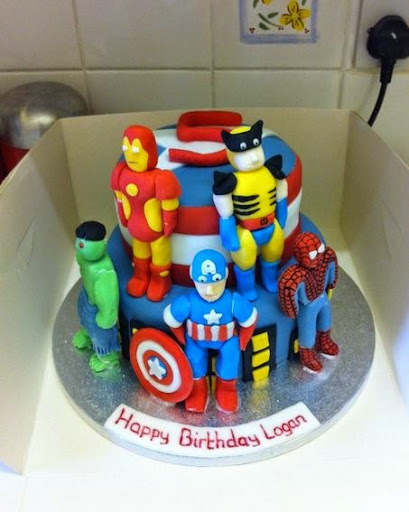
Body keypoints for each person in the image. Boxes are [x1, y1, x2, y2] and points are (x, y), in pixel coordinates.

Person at [163, 249, 257, 413]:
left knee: (230, 357)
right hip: (196, 340)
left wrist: (243, 339)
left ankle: (227, 389)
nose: (210, 291)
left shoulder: (233, 301)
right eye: (202, 282)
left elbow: (249, 319)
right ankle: (197, 389)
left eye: (216, 281)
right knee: (194, 359)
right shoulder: (188, 302)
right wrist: (181, 337)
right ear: (192, 276)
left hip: (227, 339)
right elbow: (172, 319)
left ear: (225, 275)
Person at [111, 125, 181, 301]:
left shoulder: (160, 178)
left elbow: (169, 205)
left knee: (159, 256)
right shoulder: (121, 173)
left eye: (136, 149)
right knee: (139, 254)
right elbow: (120, 198)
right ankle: (141, 277)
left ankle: (160, 281)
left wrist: (168, 226)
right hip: (136, 229)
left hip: (157, 233)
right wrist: (125, 219)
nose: (130, 154)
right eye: (126, 148)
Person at [73, 221, 121, 373]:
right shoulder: (85, 259)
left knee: (101, 333)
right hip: (87, 296)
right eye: (78, 243)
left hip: (99, 308)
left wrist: (107, 317)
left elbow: (109, 299)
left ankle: (108, 357)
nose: (78, 248)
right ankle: (87, 334)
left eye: (82, 245)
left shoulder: (104, 272)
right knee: (84, 316)